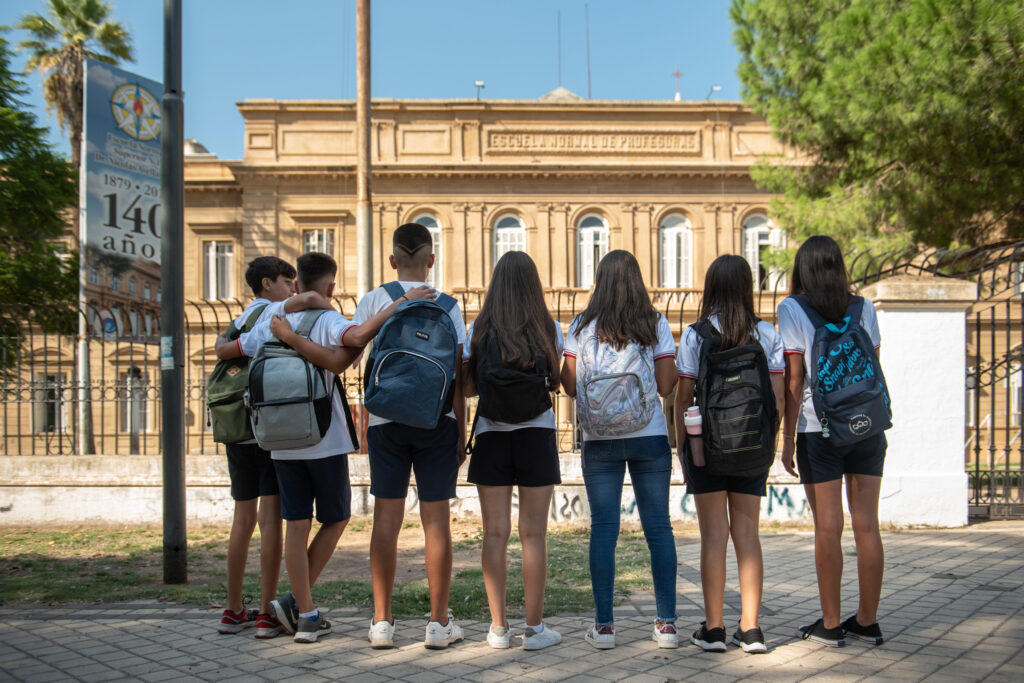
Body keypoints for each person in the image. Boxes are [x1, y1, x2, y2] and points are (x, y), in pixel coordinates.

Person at [221, 251, 432, 643]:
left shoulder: (273, 320)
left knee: (295, 525)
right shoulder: (327, 320)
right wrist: (399, 305)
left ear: (296, 285)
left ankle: (306, 612)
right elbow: (352, 342)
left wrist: (275, 335)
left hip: (280, 441)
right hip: (323, 438)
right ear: (331, 287)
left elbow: (230, 349)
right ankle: (297, 609)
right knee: (335, 518)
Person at [355, 223, 467, 650]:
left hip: (385, 422)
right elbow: (459, 375)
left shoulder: (374, 300)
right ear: (431, 260)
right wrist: (460, 428)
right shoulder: (450, 306)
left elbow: (353, 350)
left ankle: (382, 622)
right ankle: (439, 624)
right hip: (437, 422)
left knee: (387, 517)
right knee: (436, 522)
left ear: (392, 260)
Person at [561, 249, 679, 650]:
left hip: (600, 440)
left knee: (604, 530)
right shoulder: (656, 323)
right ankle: (666, 626)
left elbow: (571, 385)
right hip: (650, 436)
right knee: (659, 529)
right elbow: (666, 387)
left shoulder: (580, 325)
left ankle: (605, 628)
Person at [777, 235, 887, 648]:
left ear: (802, 269)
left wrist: (786, 439)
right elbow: (873, 363)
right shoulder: (864, 306)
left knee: (828, 527)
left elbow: (794, 378)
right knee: (867, 525)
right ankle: (868, 621)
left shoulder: (792, 308)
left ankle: (831, 624)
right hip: (868, 425)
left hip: (818, 428)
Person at [673, 254, 785, 653]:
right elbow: (776, 397)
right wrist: (767, 439)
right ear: (746, 287)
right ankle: (752, 630)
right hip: (753, 447)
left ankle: (715, 629)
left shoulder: (695, 335)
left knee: (713, 537)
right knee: (748, 536)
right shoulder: (767, 335)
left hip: (707, 449)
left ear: (712, 289)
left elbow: (683, 396)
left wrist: (684, 449)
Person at [461, 251, 563, 651]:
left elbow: (469, 389)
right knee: (534, 534)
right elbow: (556, 381)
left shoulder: (478, 330)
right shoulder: (549, 329)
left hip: (491, 435)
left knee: (495, 534)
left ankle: (499, 629)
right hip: (536, 434)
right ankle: (535, 630)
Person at [212, 256, 294, 638]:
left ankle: (231, 610)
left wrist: (221, 345)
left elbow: (221, 350)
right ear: (266, 283)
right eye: (286, 280)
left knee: (241, 521)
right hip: (267, 430)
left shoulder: (237, 321)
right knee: (271, 521)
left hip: (236, 431)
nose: (292, 287)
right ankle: (264, 612)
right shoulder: (275, 312)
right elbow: (306, 301)